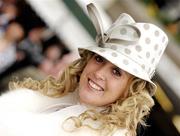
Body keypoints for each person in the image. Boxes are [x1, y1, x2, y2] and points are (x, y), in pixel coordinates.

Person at [0, 3, 168, 136]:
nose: (99, 73)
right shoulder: (55, 97)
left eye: (117, 72)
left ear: (130, 90)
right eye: (99, 58)